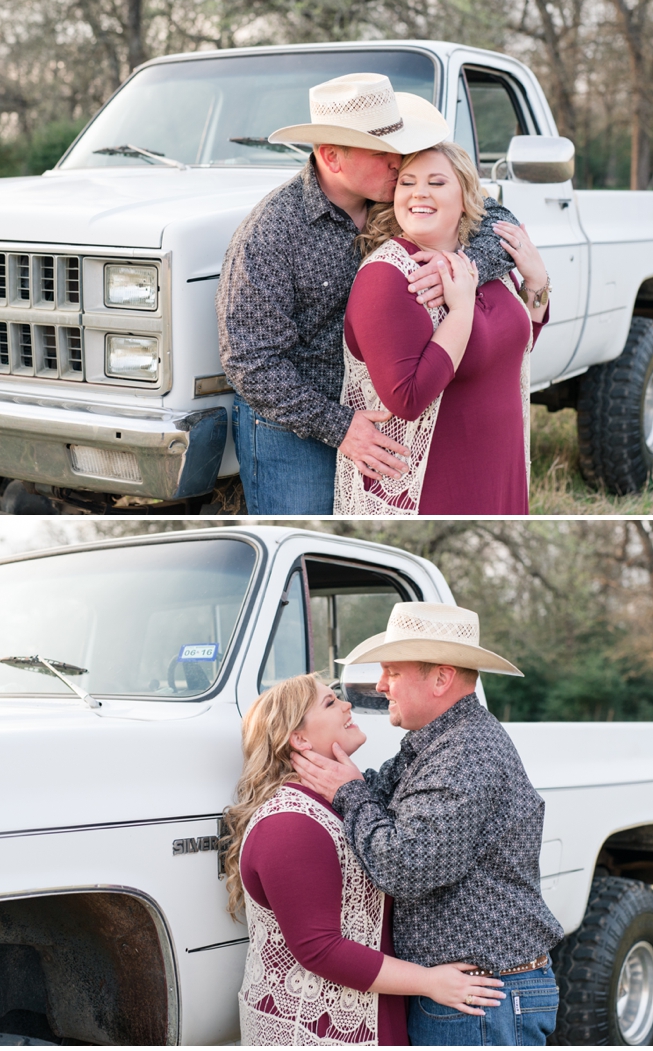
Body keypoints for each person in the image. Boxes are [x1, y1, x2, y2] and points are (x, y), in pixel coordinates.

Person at [216, 72, 520, 515]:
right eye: (384, 153)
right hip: (296, 428)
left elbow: (495, 219)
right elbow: (250, 361)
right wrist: (341, 428)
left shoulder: (399, 194)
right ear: (332, 156)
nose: (400, 164)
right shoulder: (272, 233)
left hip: (386, 412)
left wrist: (454, 269)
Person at [292, 602, 564, 1047]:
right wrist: (335, 781)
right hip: (472, 993)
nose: (380, 687)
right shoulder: (436, 743)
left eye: (392, 673)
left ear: (441, 678)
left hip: (479, 998)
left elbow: (407, 867)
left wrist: (348, 792)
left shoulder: (465, 752)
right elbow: (380, 796)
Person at [222, 673, 506, 1046]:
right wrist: (430, 982)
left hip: (365, 1013)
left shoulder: (342, 803)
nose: (347, 704)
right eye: (329, 702)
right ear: (300, 739)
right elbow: (319, 949)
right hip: (314, 1030)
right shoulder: (290, 823)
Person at [334, 141, 550, 516]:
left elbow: (514, 349)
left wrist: (536, 281)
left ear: (466, 198)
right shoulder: (387, 276)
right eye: (408, 182)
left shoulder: (479, 259)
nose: (419, 193)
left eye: (436, 182)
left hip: (499, 468)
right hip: (434, 486)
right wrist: (461, 310)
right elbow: (407, 399)